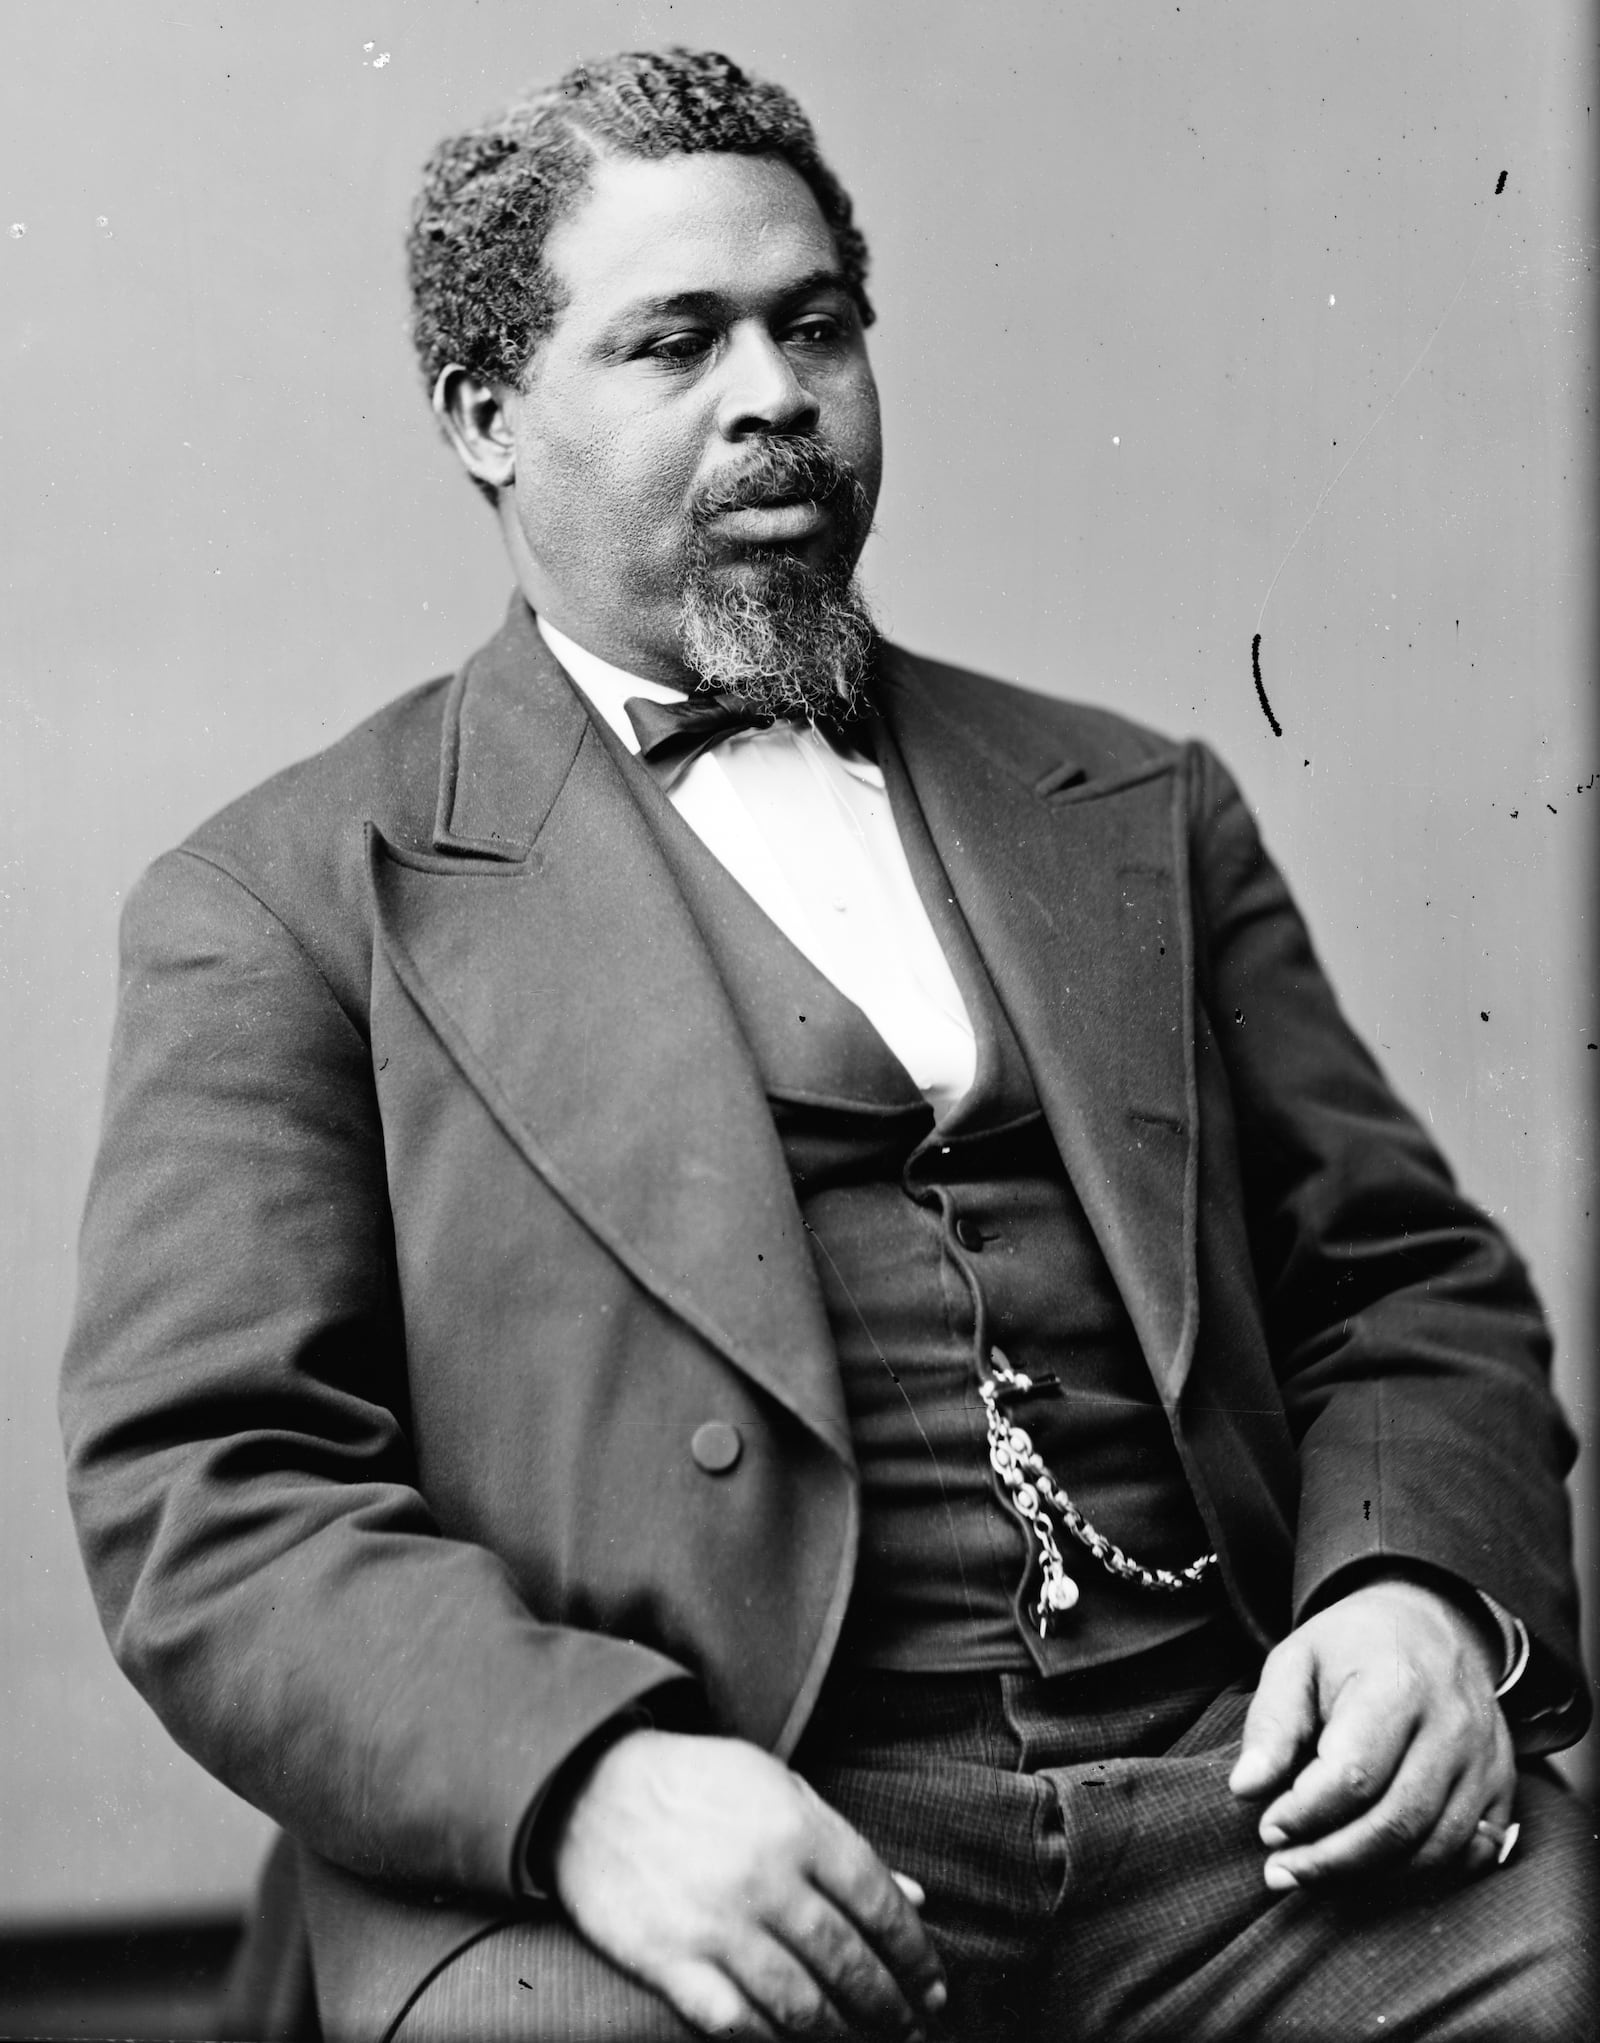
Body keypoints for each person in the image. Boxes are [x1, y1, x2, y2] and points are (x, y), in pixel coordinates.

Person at [61, 46, 1594, 2043]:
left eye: (816, 324)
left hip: (1237, 1812)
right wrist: (587, 1778)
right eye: (674, 341)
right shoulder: (285, 897)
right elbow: (216, 1479)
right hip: (705, 1812)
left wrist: (1410, 1593)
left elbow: (1398, 1280)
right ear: (483, 417)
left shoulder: (1130, 801)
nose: (774, 390)